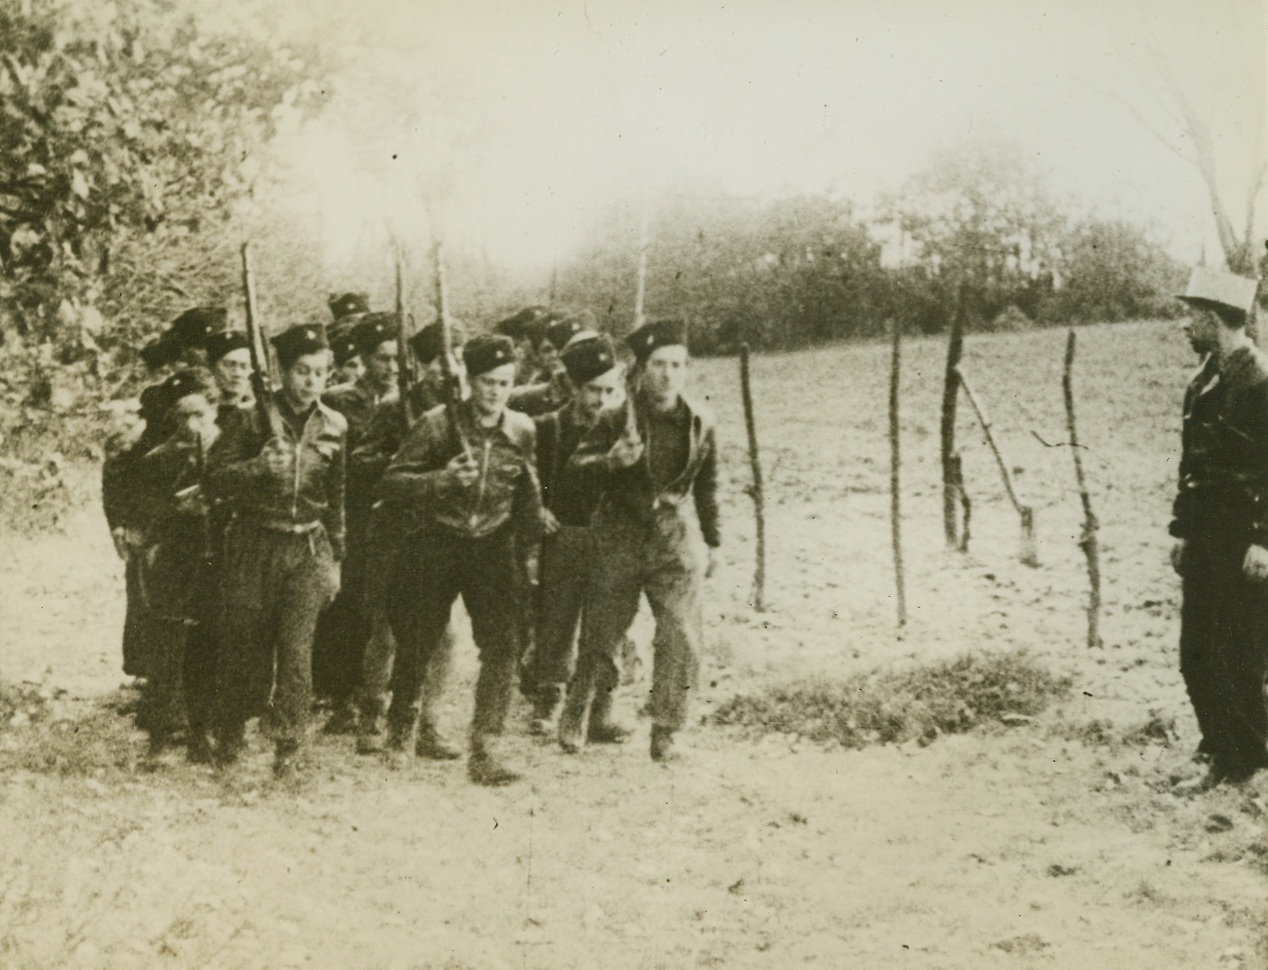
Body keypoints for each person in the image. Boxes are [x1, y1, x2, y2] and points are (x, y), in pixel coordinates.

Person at [378, 333, 543, 785]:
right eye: (487, 381)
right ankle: (401, 729)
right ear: (469, 381)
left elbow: (526, 491)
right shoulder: (437, 424)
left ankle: (486, 747)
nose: (495, 391)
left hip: (491, 544)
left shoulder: (522, 430)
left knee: (503, 646)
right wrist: (442, 479)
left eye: (504, 382)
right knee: (417, 641)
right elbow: (393, 481)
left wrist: (530, 549)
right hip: (437, 540)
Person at [559, 319, 720, 762]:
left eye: (677, 364)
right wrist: (612, 461)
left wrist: (714, 541)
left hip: (672, 538)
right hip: (620, 536)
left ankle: (667, 731)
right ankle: (578, 708)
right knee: (602, 634)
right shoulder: (616, 417)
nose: (668, 374)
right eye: (659, 364)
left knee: (681, 636)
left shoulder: (700, 421)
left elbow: (707, 486)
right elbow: (575, 469)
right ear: (643, 369)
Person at [207, 323, 346, 780]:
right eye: (302, 371)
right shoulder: (249, 419)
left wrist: (335, 558)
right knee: (246, 644)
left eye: (320, 372)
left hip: (307, 547)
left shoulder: (335, 425)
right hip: (254, 544)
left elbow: (337, 496)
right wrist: (258, 467)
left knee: (297, 651)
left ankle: (289, 746)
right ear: (283, 372)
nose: (310, 381)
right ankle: (230, 730)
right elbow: (215, 480)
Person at [1170, 265, 1268, 791]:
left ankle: (1245, 764)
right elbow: (1192, 466)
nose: (1184, 326)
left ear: (1214, 318)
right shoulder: (1202, 380)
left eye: (1190, 316)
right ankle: (1220, 748)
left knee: (1240, 654)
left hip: (1243, 539)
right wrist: (1182, 529)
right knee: (1196, 652)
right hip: (1206, 534)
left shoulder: (1260, 381)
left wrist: (1263, 540)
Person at [353, 320, 464, 757]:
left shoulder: (465, 411)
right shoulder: (396, 406)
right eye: (439, 359)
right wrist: (403, 453)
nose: (448, 368)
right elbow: (363, 464)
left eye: (456, 357)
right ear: (421, 363)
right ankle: (372, 715)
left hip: (443, 534)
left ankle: (428, 722)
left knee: (445, 636)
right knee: (387, 632)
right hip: (397, 533)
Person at [521, 332, 625, 735]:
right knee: (557, 620)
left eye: (609, 391)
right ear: (576, 388)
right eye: (594, 391)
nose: (601, 400)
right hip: (564, 535)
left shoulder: (620, 428)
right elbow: (527, 478)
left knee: (609, 625)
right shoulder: (548, 428)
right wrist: (538, 509)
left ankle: (603, 706)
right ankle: (549, 699)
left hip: (610, 538)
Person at [130, 368, 222, 759]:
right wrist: (176, 507)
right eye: (183, 416)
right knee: (166, 645)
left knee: (209, 645)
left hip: (216, 558)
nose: (192, 424)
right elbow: (146, 515)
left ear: (215, 411)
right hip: (174, 558)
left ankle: (204, 731)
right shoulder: (158, 459)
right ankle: (162, 734)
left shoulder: (228, 451)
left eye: (200, 414)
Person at [313, 312, 398, 730]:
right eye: (383, 358)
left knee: (389, 609)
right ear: (365, 358)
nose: (392, 367)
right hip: (354, 512)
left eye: (398, 358)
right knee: (347, 606)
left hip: (397, 517)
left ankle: (379, 694)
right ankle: (340, 697)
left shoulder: (411, 400)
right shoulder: (339, 399)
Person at [508, 315, 587, 417]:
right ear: (537, 354)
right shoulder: (538, 385)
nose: (555, 355)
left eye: (561, 348)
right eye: (547, 350)